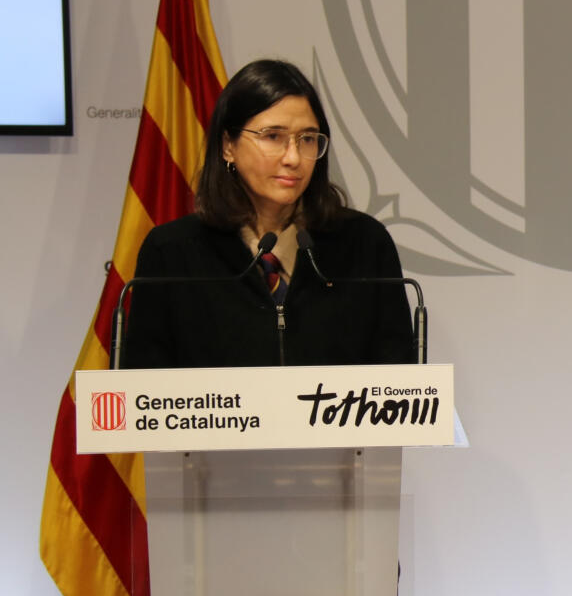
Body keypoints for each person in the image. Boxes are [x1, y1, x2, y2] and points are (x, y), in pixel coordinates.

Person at [123, 58, 414, 368]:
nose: (293, 157)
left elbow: (397, 381)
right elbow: (146, 391)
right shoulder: (172, 253)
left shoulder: (364, 244)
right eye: (273, 136)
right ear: (228, 146)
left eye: (307, 139)